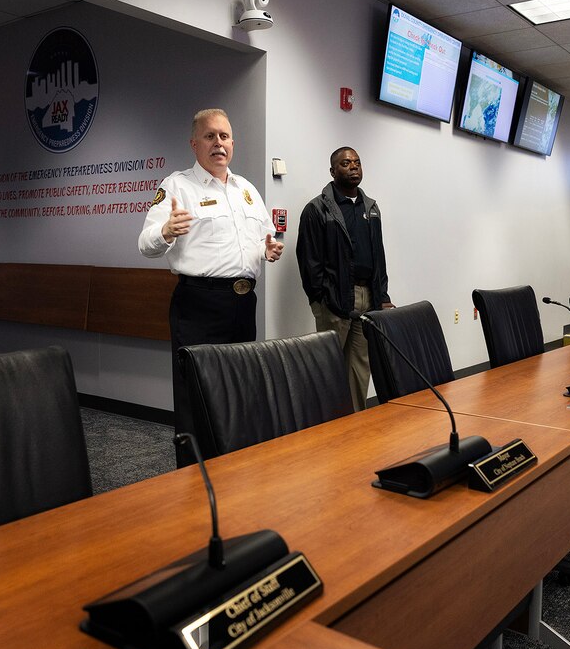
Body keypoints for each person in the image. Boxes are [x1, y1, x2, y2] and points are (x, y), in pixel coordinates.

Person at [138, 108, 282, 463]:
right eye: (210, 136)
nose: (218, 143)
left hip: (243, 304)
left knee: (239, 389)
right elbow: (145, 244)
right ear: (194, 144)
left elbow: (265, 236)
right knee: (195, 395)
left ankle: (233, 468)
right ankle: (192, 476)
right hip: (198, 304)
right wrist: (166, 231)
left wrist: (268, 249)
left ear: (233, 143)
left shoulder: (247, 189)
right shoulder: (177, 186)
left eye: (224, 136)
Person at [296, 147, 393, 411]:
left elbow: (378, 256)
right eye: (345, 163)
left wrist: (382, 296)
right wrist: (319, 299)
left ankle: (355, 424)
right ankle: (324, 425)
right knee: (328, 367)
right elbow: (309, 260)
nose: (353, 167)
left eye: (357, 163)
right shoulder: (317, 210)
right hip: (334, 300)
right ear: (332, 171)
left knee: (360, 367)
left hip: (368, 298)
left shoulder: (371, 208)